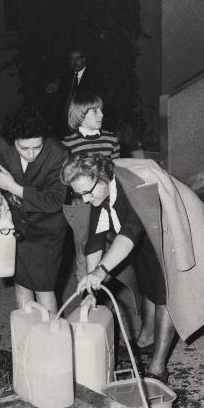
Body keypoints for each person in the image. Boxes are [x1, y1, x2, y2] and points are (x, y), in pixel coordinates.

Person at [61, 153, 204, 384]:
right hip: (148, 232)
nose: (86, 199)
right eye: (79, 194)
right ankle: (145, 339)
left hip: (172, 227)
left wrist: (101, 271)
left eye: (88, 192)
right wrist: (92, 290)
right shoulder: (98, 192)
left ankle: (158, 367)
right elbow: (95, 239)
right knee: (147, 280)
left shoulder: (134, 187)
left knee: (166, 293)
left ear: (102, 176)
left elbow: (129, 232)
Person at [0, 106, 68, 313]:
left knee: (45, 289)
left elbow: (55, 200)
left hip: (47, 231)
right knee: (21, 283)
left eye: (37, 147)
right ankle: (26, 338)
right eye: (24, 148)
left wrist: (12, 187)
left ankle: (50, 341)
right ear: (13, 141)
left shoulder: (59, 154)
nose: (31, 154)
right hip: (17, 228)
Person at [62, 93, 120, 283]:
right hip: (81, 204)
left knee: (111, 249)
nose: (101, 114)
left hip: (106, 201)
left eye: (101, 110)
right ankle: (86, 297)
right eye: (94, 111)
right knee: (84, 251)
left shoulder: (111, 139)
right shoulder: (68, 144)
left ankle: (105, 298)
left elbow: (117, 172)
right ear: (79, 115)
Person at [46, 46, 107, 135]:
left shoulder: (94, 76)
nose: (74, 62)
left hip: (83, 122)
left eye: (77, 58)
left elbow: (97, 101)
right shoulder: (67, 76)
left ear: (84, 59)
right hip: (65, 123)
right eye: (71, 59)